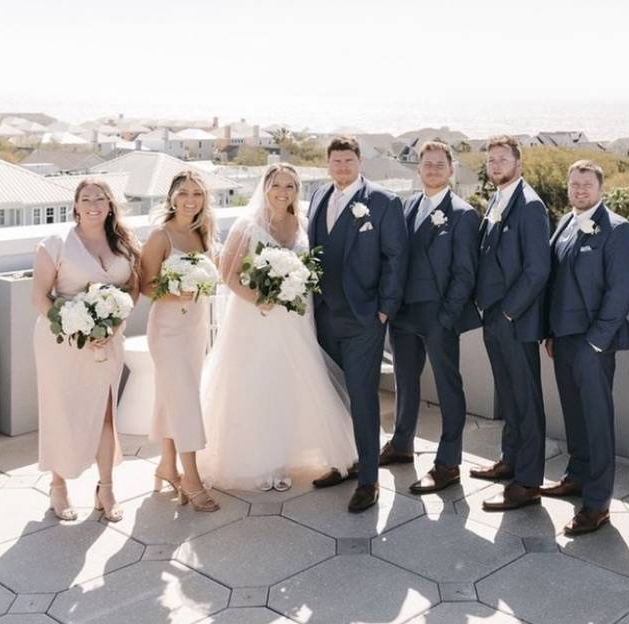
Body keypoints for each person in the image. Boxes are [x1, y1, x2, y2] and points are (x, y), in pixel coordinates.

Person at [199, 164, 358, 494]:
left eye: (290, 186)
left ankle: (285, 456)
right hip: (255, 319)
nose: (282, 191)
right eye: (276, 185)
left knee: (290, 386)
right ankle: (261, 461)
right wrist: (258, 299)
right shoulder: (248, 225)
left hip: (295, 319)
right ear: (265, 187)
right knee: (257, 383)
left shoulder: (302, 224)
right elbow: (227, 275)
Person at [306, 135, 409, 512]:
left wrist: (384, 309)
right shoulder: (318, 197)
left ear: (359, 162)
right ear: (328, 164)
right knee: (333, 394)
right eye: (336, 161)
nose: (343, 167)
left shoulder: (382, 202)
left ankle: (369, 480)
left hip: (364, 318)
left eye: (349, 161)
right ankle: (342, 462)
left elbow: (396, 258)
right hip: (323, 316)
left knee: (363, 399)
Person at [32, 179, 140, 522]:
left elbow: (133, 289)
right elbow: (39, 297)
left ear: (110, 206)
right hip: (61, 342)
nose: (93, 204)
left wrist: (112, 323)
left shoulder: (123, 244)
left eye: (101, 198)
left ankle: (105, 488)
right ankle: (58, 487)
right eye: (86, 198)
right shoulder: (56, 243)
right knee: (61, 412)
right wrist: (76, 327)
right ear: (75, 206)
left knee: (106, 412)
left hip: (108, 340)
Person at [542, 160, 629, 535]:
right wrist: (551, 333)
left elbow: (619, 292)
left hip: (594, 343)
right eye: (575, 184)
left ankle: (597, 504)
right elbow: (555, 283)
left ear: (601, 188)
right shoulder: (565, 223)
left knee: (597, 422)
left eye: (587, 185)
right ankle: (576, 476)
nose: (580, 190)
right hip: (562, 340)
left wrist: (597, 342)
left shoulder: (617, 229)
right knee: (574, 414)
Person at [383, 140, 481, 494]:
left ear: (451, 169)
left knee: (447, 386)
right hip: (404, 314)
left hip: (438, 315)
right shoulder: (408, 206)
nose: (433, 169)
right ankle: (401, 444)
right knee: (405, 381)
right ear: (418, 168)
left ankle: (448, 463)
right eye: (427, 163)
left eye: (440, 164)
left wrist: (446, 317)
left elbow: (465, 274)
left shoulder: (463, 214)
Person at [470, 135, 551, 512]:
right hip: (494, 317)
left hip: (514, 321)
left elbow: (537, 270)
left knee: (526, 399)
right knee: (508, 395)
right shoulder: (497, 199)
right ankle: (511, 460)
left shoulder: (531, 206)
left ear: (518, 163)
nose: (496, 165)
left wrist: (506, 313)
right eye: (491, 160)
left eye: (503, 159)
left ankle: (529, 481)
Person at [140, 170, 220, 511]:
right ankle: (191, 476)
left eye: (197, 193)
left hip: (195, 327)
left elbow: (212, 277)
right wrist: (176, 292)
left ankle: (166, 465)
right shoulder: (161, 236)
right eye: (184, 193)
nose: (191, 199)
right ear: (172, 197)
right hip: (168, 329)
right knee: (185, 400)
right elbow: (144, 285)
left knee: (171, 397)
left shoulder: (204, 234)